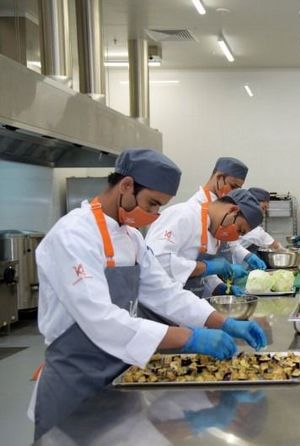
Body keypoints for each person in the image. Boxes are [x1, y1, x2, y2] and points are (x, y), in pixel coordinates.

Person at [29, 149, 267, 440]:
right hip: (74, 385)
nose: (154, 215)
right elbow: (101, 320)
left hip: (119, 375)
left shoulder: (130, 238)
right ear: (126, 185)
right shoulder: (72, 236)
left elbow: (166, 292)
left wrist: (221, 322)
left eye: (159, 207)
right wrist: (188, 337)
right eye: (152, 204)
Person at [145, 188, 264, 297]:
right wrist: (207, 267)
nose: (235, 237)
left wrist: (219, 287)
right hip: (156, 308)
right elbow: (155, 261)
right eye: (239, 230)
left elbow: (199, 274)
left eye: (240, 235)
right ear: (233, 210)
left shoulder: (213, 230)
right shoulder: (184, 215)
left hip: (182, 308)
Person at [185, 157, 267, 271]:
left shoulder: (225, 208)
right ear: (219, 177)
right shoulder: (194, 207)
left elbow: (229, 242)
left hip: (216, 274)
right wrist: (211, 269)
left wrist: (247, 256)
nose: (233, 192)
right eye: (233, 186)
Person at [238, 187, 282, 252]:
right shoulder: (242, 221)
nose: (263, 213)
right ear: (251, 204)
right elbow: (259, 235)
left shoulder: (251, 222)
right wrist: (281, 249)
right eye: (263, 208)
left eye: (265, 209)